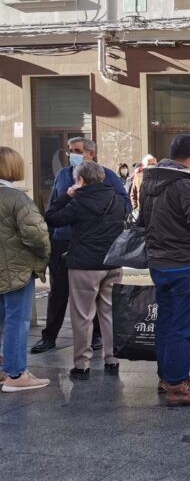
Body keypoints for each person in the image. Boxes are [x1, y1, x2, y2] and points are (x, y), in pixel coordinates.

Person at [32, 137, 130, 355]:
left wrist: (96, 215)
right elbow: (54, 209)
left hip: (91, 242)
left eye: (76, 151)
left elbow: (125, 204)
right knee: (58, 292)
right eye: (70, 151)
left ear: (90, 154)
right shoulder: (64, 175)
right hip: (62, 240)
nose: (71, 155)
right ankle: (49, 337)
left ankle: (96, 337)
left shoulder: (107, 175)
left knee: (94, 295)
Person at [140, 134, 190, 406]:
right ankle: (178, 386)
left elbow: (142, 222)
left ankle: (168, 377)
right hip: (187, 265)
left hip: (160, 264)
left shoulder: (151, 181)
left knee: (166, 323)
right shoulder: (188, 185)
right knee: (182, 328)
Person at [44, 161, 125, 378]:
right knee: (108, 313)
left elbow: (51, 216)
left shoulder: (78, 202)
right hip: (112, 263)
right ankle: (112, 359)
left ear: (80, 180)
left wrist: (67, 196)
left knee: (82, 316)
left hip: (84, 265)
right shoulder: (117, 201)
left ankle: (82, 365)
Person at [0, 147, 52, 393]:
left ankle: (4, 369)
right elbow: (37, 235)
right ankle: (16, 373)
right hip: (17, 270)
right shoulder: (17, 198)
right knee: (17, 321)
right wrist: (43, 257)